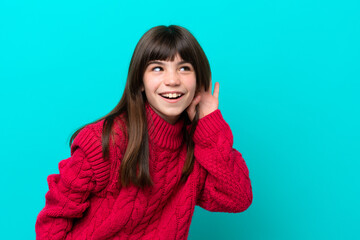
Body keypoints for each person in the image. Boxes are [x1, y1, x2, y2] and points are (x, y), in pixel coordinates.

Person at [35, 25, 253, 240]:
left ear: (198, 82)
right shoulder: (104, 141)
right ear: (140, 82)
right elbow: (54, 221)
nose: (172, 80)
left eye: (184, 68)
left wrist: (209, 123)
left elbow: (238, 198)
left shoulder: (198, 148)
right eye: (158, 68)